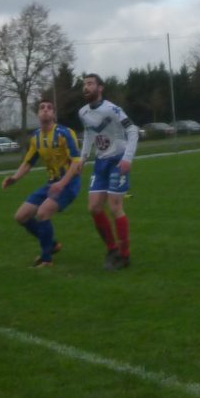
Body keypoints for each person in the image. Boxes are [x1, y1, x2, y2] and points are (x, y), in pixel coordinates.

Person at [1, 100, 81, 268]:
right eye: (42, 108)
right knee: (21, 216)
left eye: (49, 108)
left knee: (43, 213)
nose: (45, 110)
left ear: (54, 114)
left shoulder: (65, 133)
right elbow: (28, 162)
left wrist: (62, 183)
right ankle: (51, 244)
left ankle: (46, 259)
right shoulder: (36, 137)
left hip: (69, 183)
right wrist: (14, 178)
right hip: (51, 184)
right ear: (38, 114)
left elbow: (76, 162)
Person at [78, 73, 140, 270]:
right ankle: (112, 249)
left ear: (100, 88)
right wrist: (83, 157)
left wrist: (127, 158)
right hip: (100, 162)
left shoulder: (113, 109)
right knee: (94, 207)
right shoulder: (83, 112)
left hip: (117, 161)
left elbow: (133, 130)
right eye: (84, 84)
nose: (86, 87)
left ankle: (125, 255)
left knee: (115, 207)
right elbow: (89, 133)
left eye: (90, 84)